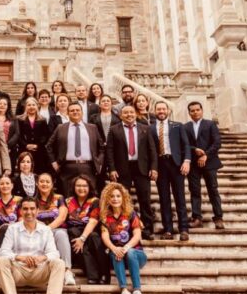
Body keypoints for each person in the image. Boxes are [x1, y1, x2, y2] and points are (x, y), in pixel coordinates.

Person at [0, 197, 64, 294]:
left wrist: (42, 258)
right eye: (25, 209)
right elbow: (2, 251)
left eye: (32, 208)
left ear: (38, 211)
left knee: (59, 263)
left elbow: (54, 253)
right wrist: (19, 257)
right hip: (19, 272)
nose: (29, 212)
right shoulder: (12, 229)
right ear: (20, 211)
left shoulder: (46, 230)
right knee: (1, 261)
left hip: (40, 272)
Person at [107, 105, 158, 240]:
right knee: (123, 200)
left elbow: (152, 150)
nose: (129, 115)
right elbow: (110, 151)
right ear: (121, 115)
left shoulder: (145, 129)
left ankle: (148, 229)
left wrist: (154, 167)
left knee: (145, 199)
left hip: (142, 168)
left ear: (135, 114)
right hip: (122, 169)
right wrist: (111, 168)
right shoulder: (113, 130)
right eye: (126, 113)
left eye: (131, 112)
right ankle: (125, 229)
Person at [100, 182, 147, 294]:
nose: (115, 199)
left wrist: (125, 248)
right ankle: (124, 291)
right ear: (107, 199)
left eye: (118, 196)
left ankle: (137, 291)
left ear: (123, 197)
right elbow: (105, 236)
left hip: (136, 254)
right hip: (118, 256)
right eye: (112, 196)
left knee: (130, 252)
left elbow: (137, 235)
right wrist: (114, 248)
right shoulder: (105, 217)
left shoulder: (131, 214)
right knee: (115, 253)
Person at [150, 101, 192, 241]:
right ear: (155, 111)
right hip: (160, 165)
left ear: (168, 110)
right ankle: (168, 229)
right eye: (158, 109)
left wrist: (186, 161)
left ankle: (183, 229)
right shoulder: (149, 128)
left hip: (176, 164)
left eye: (163, 109)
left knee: (180, 198)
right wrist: (153, 168)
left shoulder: (177, 126)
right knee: (164, 198)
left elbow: (185, 144)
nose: (161, 111)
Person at [47, 102, 104, 196]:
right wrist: (53, 162)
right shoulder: (61, 128)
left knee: (89, 196)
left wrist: (99, 162)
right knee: (68, 196)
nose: (75, 112)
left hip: (88, 167)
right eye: (72, 110)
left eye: (77, 110)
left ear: (82, 112)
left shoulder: (92, 128)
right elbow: (49, 146)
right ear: (68, 113)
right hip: (67, 167)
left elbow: (101, 147)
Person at [186, 101, 224, 229]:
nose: (195, 112)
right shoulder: (186, 127)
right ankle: (197, 218)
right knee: (194, 191)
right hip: (193, 165)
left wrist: (205, 155)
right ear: (189, 113)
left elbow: (217, 142)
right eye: (192, 110)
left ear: (202, 111)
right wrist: (194, 149)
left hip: (210, 162)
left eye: (197, 110)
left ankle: (218, 218)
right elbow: (184, 145)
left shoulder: (211, 124)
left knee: (213, 190)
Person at [65, 175, 108, 284]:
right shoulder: (68, 201)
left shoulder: (95, 201)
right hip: (73, 233)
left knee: (94, 237)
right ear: (73, 187)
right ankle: (93, 275)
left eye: (84, 186)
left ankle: (103, 273)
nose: (81, 188)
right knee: (73, 232)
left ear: (89, 187)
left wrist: (82, 238)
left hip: (90, 231)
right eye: (78, 185)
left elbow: (93, 221)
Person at [35, 172, 74, 285]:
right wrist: (43, 229)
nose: (44, 184)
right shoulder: (33, 200)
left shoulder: (59, 198)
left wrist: (49, 228)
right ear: (37, 184)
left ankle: (67, 271)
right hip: (39, 230)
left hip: (57, 229)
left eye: (47, 181)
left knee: (61, 234)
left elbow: (62, 217)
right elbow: (29, 216)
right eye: (42, 181)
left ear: (52, 184)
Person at [0, 175, 23, 285]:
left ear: (12, 185)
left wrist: (2, 227)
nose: (4, 186)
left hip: (15, 230)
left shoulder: (19, 200)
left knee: (4, 228)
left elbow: (21, 220)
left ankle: (1, 269)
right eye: (2, 184)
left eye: (7, 183)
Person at [16, 98, 50, 175]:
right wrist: (26, 145)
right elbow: (18, 134)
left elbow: (45, 135)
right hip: (24, 150)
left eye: (33, 105)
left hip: (39, 151)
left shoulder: (42, 119)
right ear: (25, 107)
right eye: (29, 105)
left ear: (37, 106)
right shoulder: (19, 119)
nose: (31, 107)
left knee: (39, 172)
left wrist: (37, 145)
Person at [0, 96, 19, 168]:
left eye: (5, 104)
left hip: (10, 149)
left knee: (9, 170)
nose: (2, 105)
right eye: (0, 103)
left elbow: (17, 134)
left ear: (8, 106)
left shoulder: (13, 118)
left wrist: (7, 146)